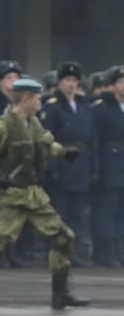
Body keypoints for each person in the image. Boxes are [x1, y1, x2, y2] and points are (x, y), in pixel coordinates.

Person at [0, 78, 89, 311]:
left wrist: (64, 152)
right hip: (10, 196)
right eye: (36, 98)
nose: (39, 102)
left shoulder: (32, 122)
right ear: (25, 98)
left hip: (33, 194)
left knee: (63, 236)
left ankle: (60, 293)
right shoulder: (2, 126)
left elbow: (45, 141)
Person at [41, 62, 96, 268]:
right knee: (59, 211)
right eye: (67, 80)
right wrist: (52, 167)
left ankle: (74, 250)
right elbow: (48, 139)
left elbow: (92, 138)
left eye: (74, 81)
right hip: (62, 161)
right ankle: (56, 250)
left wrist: (93, 167)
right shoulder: (53, 107)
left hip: (81, 162)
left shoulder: (84, 106)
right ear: (59, 82)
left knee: (77, 212)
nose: (71, 85)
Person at [92, 66, 124, 266]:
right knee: (107, 210)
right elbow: (95, 139)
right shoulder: (102, 107)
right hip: (110, 162)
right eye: (121, 82)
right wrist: (97, 168)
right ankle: (105, 251)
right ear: (112, 86)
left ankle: (119, 250)